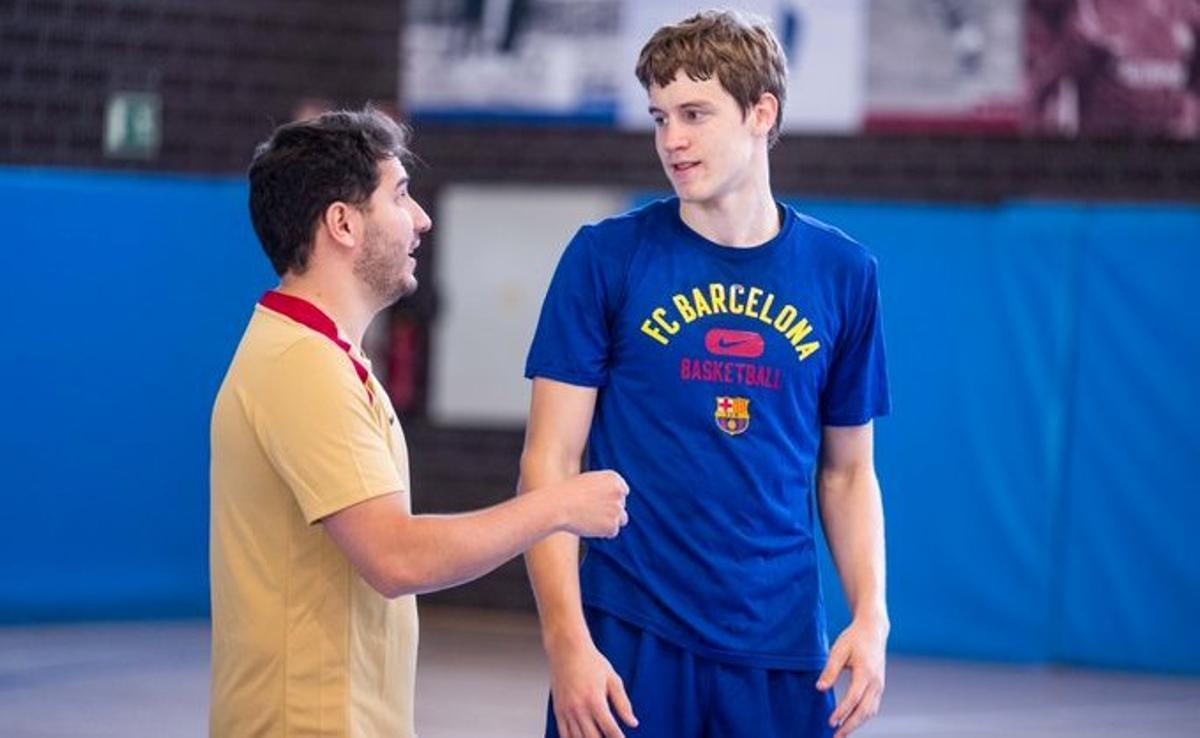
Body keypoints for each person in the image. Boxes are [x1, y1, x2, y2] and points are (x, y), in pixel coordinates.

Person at [520, 10, 890, 738]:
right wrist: (567, 644)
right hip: (629, 638)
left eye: (694, 114)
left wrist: (871, 615)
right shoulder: (606, 258)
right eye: (660, 118)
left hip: (782, 647)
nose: (672, 141)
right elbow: (550, 464)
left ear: (762, 113)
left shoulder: (844, 274)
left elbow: (848, 473)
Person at [209, 107, 630, 738]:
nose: (421, 219)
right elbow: (397, 557)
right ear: (343, 223)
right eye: (400, 196)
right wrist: (558, 506)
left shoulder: (325, 357)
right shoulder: (303, 367)